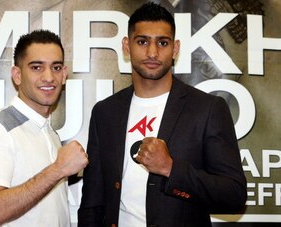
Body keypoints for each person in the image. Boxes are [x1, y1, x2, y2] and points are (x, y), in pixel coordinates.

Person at [78, 2, 247, 227]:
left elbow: (234, 195)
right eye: (142, 41)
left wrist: (171, 168)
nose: (152, 52)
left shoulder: (207, 108)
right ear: (127, 47)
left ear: (175, 49)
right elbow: (92, 202)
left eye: (163, 42)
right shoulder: (105, 112)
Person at [0, 29, 89, 227]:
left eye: (56, 67)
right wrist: (58, 169)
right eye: (36, 67)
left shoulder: (49, 132)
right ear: (17, 75)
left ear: (64, 75)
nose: (49, 77)